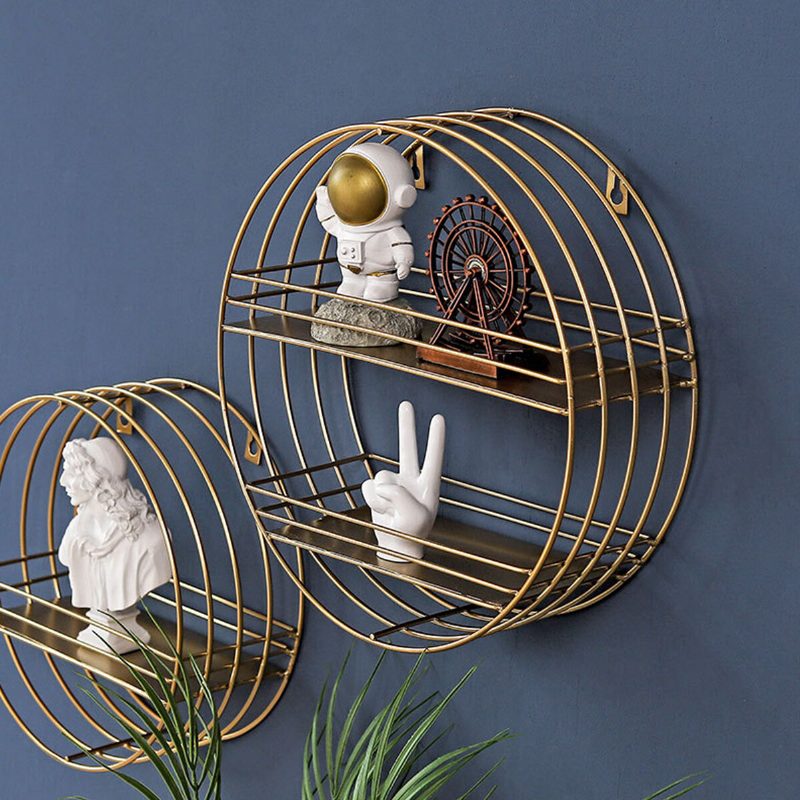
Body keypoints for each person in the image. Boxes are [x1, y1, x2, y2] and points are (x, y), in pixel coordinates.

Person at [58, 436, 171, 653]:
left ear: (97, 479)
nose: (63, 481)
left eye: (72, 472)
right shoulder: (76, 533)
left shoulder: (152, 539)